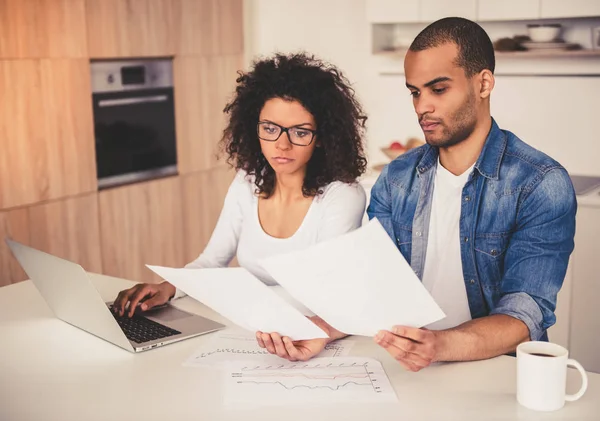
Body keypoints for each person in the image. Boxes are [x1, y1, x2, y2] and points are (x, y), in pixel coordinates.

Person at [111, 52, 368, 359]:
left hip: (311, 338)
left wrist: (306, 329)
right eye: (270, 128)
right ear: (254, 127)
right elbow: (211, 261)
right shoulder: (248, 181)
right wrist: (168, 288)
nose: (281, 145)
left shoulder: (342, 196)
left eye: (300, 132)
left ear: (322, 138)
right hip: (250, 333)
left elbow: (329, 295)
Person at [368, 17, 577, 372]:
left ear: (483, 84)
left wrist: (439, 344)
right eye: (415, 92)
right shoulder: (395, 178)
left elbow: (524, 314)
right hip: (409, 368)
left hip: (495, 373)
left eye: (438, 89)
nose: (422, 107)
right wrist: (319, 330)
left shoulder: (541, 183)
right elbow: (372, 283)